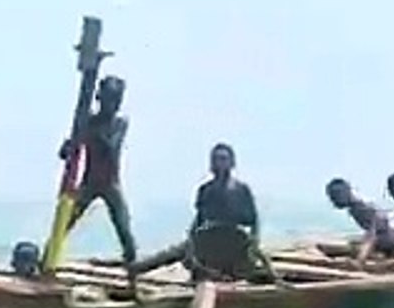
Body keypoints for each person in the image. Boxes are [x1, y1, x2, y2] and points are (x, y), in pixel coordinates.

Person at [130, 143, 277, 282]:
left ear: (232, 162)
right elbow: (199, 219)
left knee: (256, 266)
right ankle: (136, 268)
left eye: (224, 159)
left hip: (235, 240)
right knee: (175, 253)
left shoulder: (242, 190)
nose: (220, 163)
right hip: (209, 239)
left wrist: (254, 244)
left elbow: (253, 221)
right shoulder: (206, 190)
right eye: (216, 159)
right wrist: (190, 240)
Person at [59, 75, 138, 271]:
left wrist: (87, 128)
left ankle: (132, 263)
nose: (112, 105)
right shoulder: (89, 122)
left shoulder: (119, 123)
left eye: (115, 100)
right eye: (108, 99)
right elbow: (65, 152)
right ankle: (49, 254)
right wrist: (71, 142)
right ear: (100, 99)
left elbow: (111, 147)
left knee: (123, 226)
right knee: (66, 221)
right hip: (89, 182)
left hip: (111, 183)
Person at [326, 178, 394, 260]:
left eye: (335, 195)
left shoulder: (360, 207)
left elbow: (375, 231)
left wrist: (361, 258)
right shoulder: (358, 205)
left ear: (346, 191)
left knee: (351, 247)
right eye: (331, 196)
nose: (333, 200)